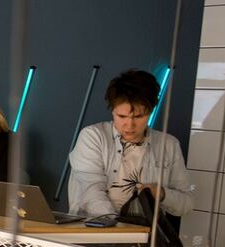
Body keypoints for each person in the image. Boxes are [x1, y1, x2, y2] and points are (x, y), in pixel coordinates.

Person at [68, 69, 193, 218]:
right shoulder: (93, 136)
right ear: (112, 111)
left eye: (139, 116)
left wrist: (163, 194)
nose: (129, 125)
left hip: (144, 235)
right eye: (121, 116)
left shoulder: (169, 145)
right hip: (92, 231)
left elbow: (186, 204)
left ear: (151, 111)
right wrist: (116, 228)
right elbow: (90, 191)